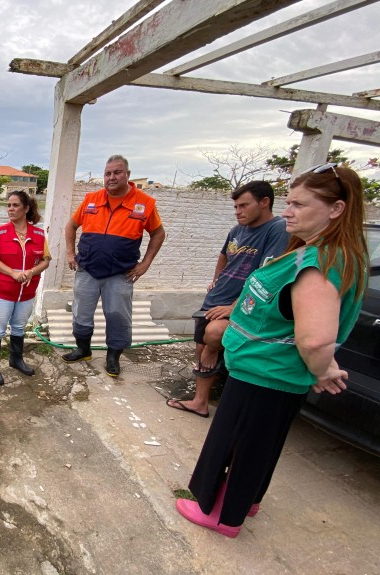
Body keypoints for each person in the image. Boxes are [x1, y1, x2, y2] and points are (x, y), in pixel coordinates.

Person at [176, 163, 368, 538]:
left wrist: (323, 368)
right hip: (272, 375)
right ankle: (244, 500)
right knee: (258, 447)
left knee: (235, 445)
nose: (287, 211)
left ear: (336, 208)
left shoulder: (318, 265)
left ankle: (219, 515)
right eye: (289, 202)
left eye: (299, 204)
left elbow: (314, 338)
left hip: (265, 374)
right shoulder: (325, 252)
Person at [167, 181, 288, 418]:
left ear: (264, 202)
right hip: (217, 297)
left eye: (244, 205)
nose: (238, 211)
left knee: (214, 336)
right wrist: (216, 281)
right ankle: (200, 401)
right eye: (235, 206)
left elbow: (268, 276)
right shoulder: (237, 230)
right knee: (201, 344)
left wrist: (234, 307)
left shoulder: (278, 229)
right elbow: (223, 256)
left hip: (242, 304)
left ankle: (225, 393)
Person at [62, 155, 166, 376]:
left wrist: (146, 263)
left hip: (121, 273)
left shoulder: (144, 203)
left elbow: (158, 233)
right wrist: (70, 253)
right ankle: (83, 349)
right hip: (87, 269)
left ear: (128, 175)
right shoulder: (92, 199)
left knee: (118, 315)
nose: (111, 177)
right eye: (107, 173)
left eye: (117, 172)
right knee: (81, 313)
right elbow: (71, 226)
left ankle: (113, 357)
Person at [0, 190, 50, 385]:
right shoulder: (0, 233)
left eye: (15, 205)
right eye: (8, 205)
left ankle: (16, 359)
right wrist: (12, 273)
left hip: (27, 293)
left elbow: (46, 261)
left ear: (26, 208)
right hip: (2, 292)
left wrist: (31, 271)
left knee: (19, 327)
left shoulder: (39, 234)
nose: (10, 209)